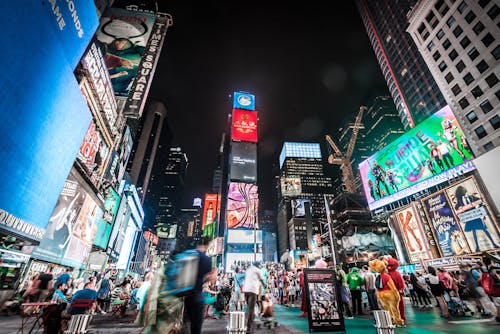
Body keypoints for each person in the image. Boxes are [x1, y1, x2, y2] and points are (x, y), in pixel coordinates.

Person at [183, 236, 216, 334]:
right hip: (197, 296)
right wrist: (213, 274)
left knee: (185, 323)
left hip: (185, 296)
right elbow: (208, 279)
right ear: (209, 244)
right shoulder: (206, 258)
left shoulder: (188, 255)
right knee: (196, 326)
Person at [243, 261, 265, 333]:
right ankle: (249, 328)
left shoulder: (248, 269)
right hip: (253, 290)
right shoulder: (258, 270)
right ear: (258, 265)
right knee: (251, 309)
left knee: (250, 308)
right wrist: (265, 285)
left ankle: (251, 321)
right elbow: (262, 280)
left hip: (246, 290)